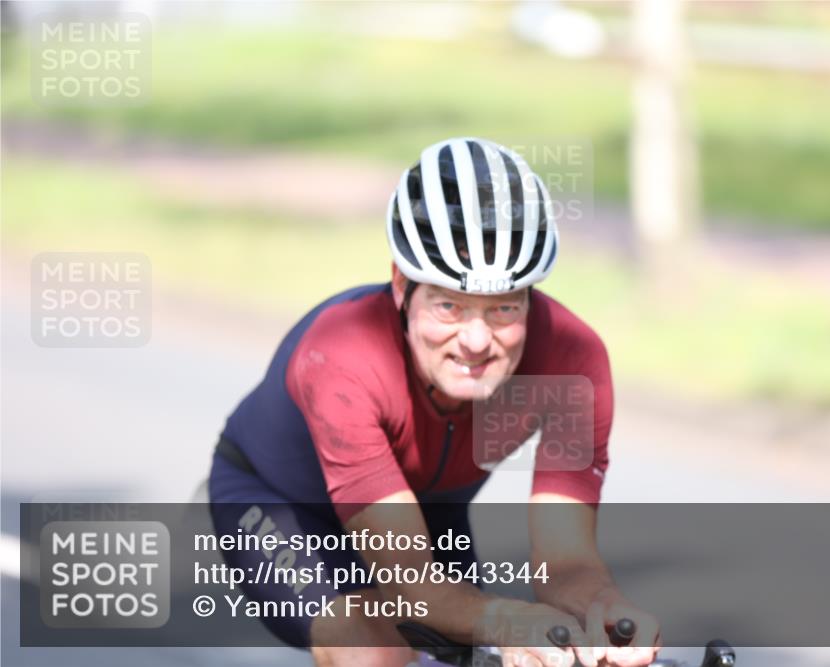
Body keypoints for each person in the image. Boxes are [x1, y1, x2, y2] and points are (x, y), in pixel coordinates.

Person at [208, 138, 661, 667]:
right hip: (284, 506)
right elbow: (415, 586)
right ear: (402, 286)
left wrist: (601, 611)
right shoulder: (342, 357)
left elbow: (566, 562)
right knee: (373, 647)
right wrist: (505, 621)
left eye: (503, 308)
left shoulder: (571, 360)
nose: (475, 340)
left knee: (507, 652)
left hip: (428, 510)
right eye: (449, 305)